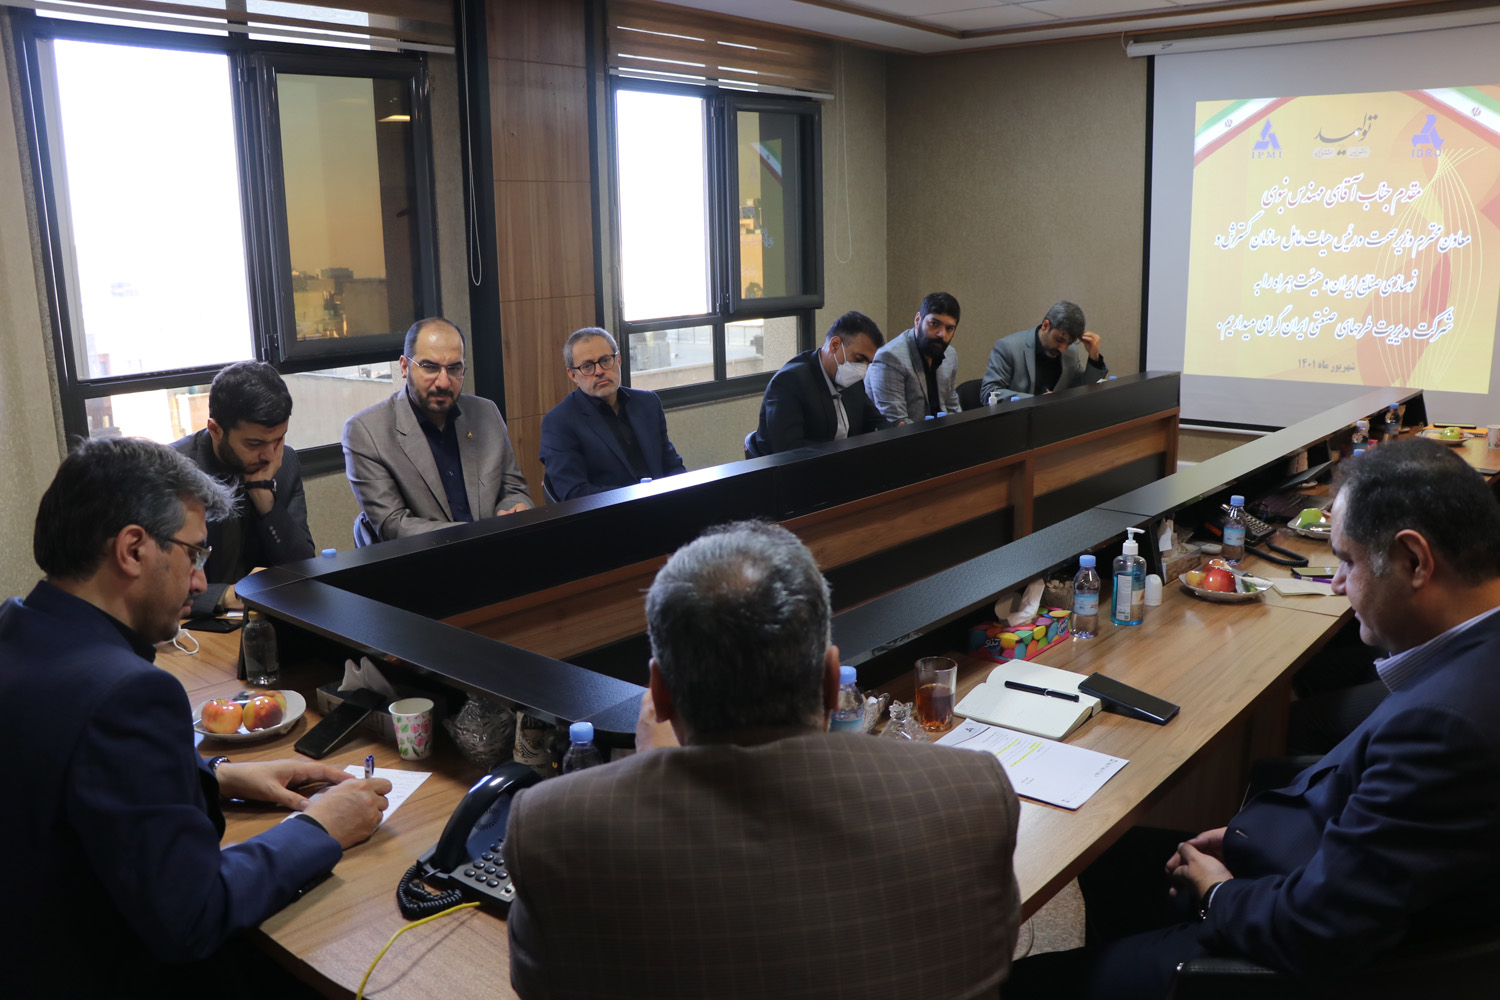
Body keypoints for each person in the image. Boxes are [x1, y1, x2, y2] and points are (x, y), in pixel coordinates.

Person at [1008, 438, 1500, 999]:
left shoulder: (1447, 725)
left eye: (1348, 561)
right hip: (1305, 865)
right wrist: (1253, 840)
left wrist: (1218, 892)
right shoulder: (1471, 656)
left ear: (1414, 561)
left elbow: (1318, 929)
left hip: (1286, 943)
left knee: (1023, 984)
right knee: (1114, 855)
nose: (1337, 585)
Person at [503, 521, 1022, 1000]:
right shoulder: (970, 794)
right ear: (831, 681)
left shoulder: (553, 830)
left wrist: (649, 773)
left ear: (658, 693)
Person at [0, 437, 391, 997]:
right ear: (133, 549)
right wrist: (321, 828)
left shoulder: (16, 628)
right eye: (195, 554)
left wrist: (217, 775)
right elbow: (193, 912)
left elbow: (62, 773)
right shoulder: (129, 693)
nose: (202, 582)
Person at [342, 317, 531, 541]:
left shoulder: (486, 413)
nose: (443, 382)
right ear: (404, 367)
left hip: (497, 550)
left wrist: (514, 508)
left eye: (454, 368)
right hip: (427, 558)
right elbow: (393, 525)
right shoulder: (366, 432)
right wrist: (476, 535)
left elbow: (514, 490)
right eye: (430, 367)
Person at [172, 361, 314, 616]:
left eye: (278, 439)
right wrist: (226, 595)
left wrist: (265, 501)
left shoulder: (285, 463)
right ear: (215, 430)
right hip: (191, 625)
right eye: (254, 444)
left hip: (263, 620)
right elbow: (155, 585)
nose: (269, 456)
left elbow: (303, 568)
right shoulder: (172, 472)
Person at [539, 327, 686, 500]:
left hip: (663, 506)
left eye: (605, 360)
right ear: (572, 375)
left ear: (619, 360)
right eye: (587, 366)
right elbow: (574, 493)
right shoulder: (559, 422)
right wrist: (636, 497)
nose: (599, 371)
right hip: (609, 514)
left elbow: (672, 465)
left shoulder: (647, 403)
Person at [745, 310, 888, 457]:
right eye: (859, 358)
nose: (863, 369)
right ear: (835, 345)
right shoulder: (789, 382)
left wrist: (893, 430)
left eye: (868, 362)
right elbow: (789, 450)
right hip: (801, 468)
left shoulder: (852, 380)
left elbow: (875, 421)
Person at [979, 301, 1106, 403]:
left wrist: (1094, 358)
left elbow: (1082, 390)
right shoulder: (1007, 347)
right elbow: (989, 392)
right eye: (1059, 340)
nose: (1062, 349)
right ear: (1045, 326)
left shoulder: (1071, 351)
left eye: (1069, 343)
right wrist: (1037, 401)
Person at [866, 292, 962, 425]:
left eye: (949, 328)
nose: (942, 334)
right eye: (934, 323)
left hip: (943, 433)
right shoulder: (890, 358)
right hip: (909, 436)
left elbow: (953, 408)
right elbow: (897, 423)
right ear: (918, 320)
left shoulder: (950, 355)